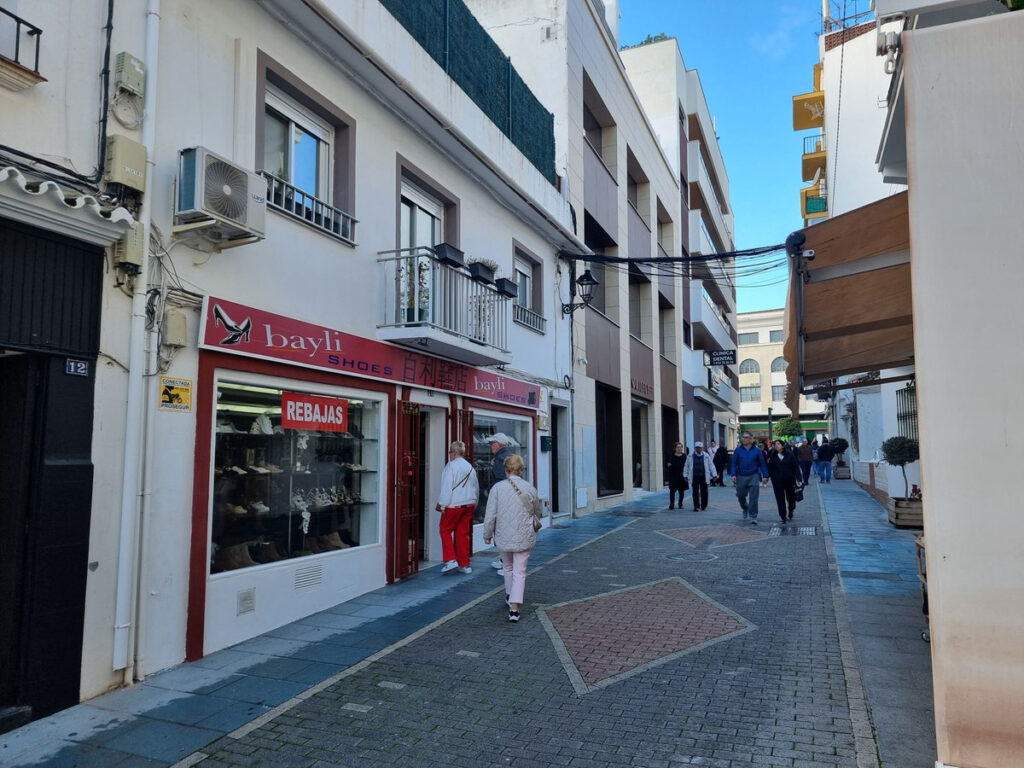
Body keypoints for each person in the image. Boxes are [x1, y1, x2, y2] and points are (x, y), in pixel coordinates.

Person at [482, 454, 540, 623]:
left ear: (506, 469)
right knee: (520, 571)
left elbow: (490, 514)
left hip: (503, 535)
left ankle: (509, 595)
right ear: (521, 470)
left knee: (507, 567)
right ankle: (514, 609)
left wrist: (487, 534)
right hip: (524, 534)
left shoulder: (497, 488)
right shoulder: (529, 488)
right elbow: (536, 511)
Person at [435, 440, 479, 575]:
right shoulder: (470, 467)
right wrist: (475, 502)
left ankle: (450, 560)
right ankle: (465, 564)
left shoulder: (451, 466)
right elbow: (475, 487)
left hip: (455, 504)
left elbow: (447, 487)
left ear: (453, 453)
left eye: (450, 452)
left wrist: (442, 504)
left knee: (445, 530)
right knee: (462, 533)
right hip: (469, 503)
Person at [485, 433, 515, 573]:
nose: (491, 445)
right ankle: (504, 560)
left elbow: (500, 480)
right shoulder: (509, 455)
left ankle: (506, 564)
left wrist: (489, 491)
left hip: (502, 500)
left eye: (492, 443)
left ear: (499, 444)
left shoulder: (499, 459)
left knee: (501, 530)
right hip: (511, 499)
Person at [729, 431, 769, 525]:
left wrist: (765, 475)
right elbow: (734, 463)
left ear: (751, 439)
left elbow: (762, 464)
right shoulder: (738, 450)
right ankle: (745, 507)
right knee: (740, 495)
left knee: (754, 497)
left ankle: (753, 516)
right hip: (741, 476)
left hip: (754, 475)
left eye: (746, 437)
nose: (744, 439)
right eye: (743, 437)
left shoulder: (757, 450)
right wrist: (733, 474)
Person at [767, 439, 801, 524]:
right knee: (780, 499)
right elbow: (770, 467)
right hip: (777, 481)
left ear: (782, 445)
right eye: (775, 444)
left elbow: (795, 466)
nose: (776, 445)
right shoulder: (772, 455)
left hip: (789, 480)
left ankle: (791, 510)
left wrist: (798, 478)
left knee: (791, 498)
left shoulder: (790, 454)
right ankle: (783, 516)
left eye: (778, 444)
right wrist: (770, 476)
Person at [684, 441, 715, 511]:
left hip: (704, 476)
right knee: (695, 492)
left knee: (704, 491)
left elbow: (711, 466)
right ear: (695, 448)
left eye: (700, 448)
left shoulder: (706, 456)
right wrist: (685, 475)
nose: (699, 449)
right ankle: (696, 506)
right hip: (694, 476)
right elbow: (686, 466)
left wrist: (714, 474)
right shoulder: (690, 456)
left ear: (702, 448)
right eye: (697, 448)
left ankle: (704, 505)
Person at [665, 442, 687, 509]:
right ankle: (672, 504)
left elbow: (687, 465)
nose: (679, 449)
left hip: (681, 476)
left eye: (681, 447)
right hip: (673, 476)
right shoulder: (671, 456)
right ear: (675, 448)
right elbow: (666, 464)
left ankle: (680, 503)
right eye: (678, 447)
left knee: (681, 491)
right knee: (672, 491)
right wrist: (668, 465)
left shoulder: (684, 456)